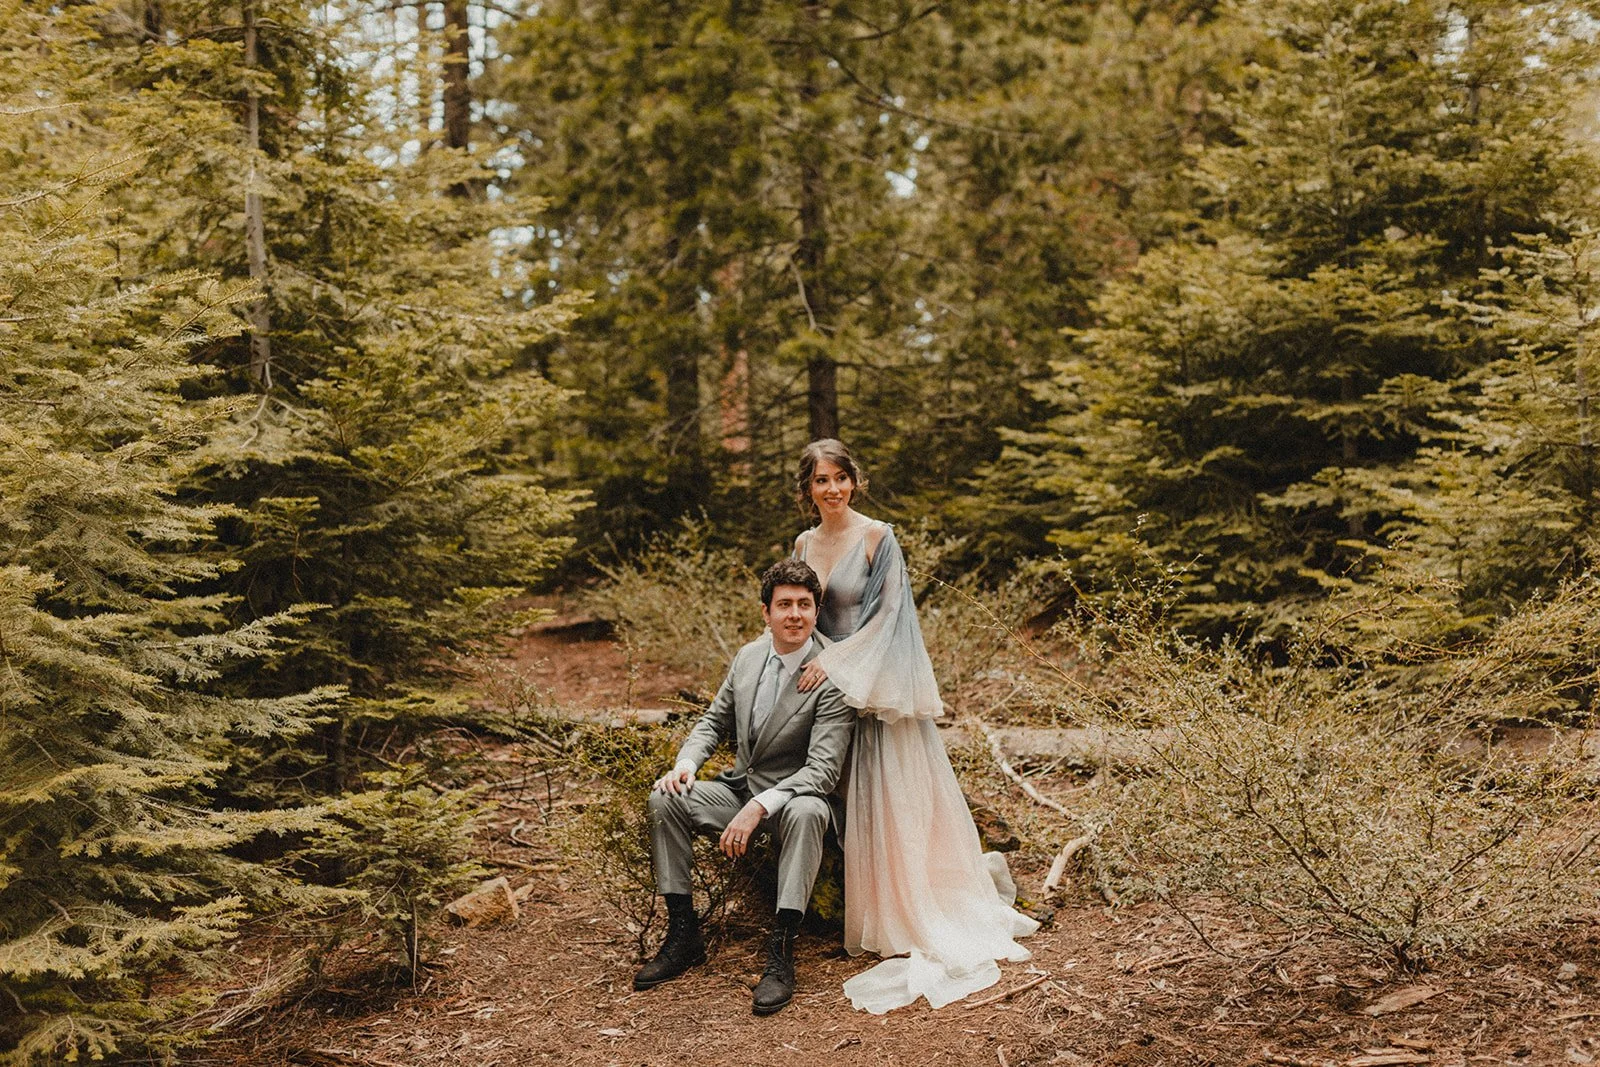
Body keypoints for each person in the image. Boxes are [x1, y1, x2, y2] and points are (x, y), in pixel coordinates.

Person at [791, 438, 1038, 1014]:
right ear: (807, 489)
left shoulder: (878, 537)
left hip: (877, 688)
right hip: (827, 690)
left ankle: (909, 907)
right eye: (821, 480)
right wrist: (809, 662)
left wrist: (837, 663)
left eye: (841, 478)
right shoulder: (803, 543)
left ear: (855, 481)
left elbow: (890, 616)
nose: (833, 489)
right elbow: (800, 610)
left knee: (890, 798)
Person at [635, 559, 856, 1016]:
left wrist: (760, 806)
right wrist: (685, 764)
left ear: (817, 612)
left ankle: (782, 950)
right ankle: (683, 935)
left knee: (810, 811)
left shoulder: (832, 673)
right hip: (739, 788)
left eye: (804, 605)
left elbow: (823, 770)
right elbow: (713, 721)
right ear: (765, 613)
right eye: (784, 605)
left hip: (794, 800)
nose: (794, 615)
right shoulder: (748, 657)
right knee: (665, 798)